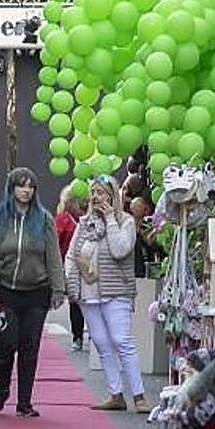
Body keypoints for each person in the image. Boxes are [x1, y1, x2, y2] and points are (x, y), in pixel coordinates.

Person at [0, 167, 66, 417]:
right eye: (21, 185)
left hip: (36, 292)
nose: (26, 190)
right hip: (5, 291)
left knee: (30, 347)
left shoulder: (43, 219)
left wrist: (58, 288)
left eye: (31, 186)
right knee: (6, 344)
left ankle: (24, 402)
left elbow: (53, 256)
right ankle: (2, 390)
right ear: (12, 188)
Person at [65, 175, 150, 413]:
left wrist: (111, 219)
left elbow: (121, 250)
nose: (95, 197)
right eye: (93, 192)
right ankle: (115, 394)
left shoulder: (126, 222)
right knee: (101, 343)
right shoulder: (84, 224)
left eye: (101, 192)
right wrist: (71, 282)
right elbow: (71, 255)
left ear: (113, 196)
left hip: (116, 291)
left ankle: (139, 395)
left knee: (121, 340)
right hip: (88, 293)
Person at [55, 185, 87, 351]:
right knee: (75, 300)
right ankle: (77, 335)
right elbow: (56, 244)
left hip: (88, 265)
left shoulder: (88, 219)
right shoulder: (63, 219)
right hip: (71, 266)